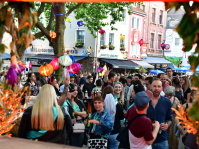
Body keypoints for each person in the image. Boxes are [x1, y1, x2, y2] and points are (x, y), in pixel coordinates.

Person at [147, 79, 172, 149]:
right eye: (154, 86)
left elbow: (169, 118)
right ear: (151, 87)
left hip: (162, 138)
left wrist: (167, 125)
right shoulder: (145, 100)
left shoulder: (167, 102)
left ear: (162, 88)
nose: (156, 88)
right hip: (146, 138)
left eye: (159, 86)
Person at [66, 83, 88, 147]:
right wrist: (81, 114)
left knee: (79, 145)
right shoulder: (66, 102)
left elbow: (86, 113)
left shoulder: (79, 101)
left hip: (81, 127)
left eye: (77, 90)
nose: (76, 92)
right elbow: (71, 114)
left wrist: (77, 113)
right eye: (74, 90)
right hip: (72, 127)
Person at [108, 82, 124, 149]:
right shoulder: (113, 99)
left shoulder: (121, 98)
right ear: (113, 88)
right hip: (113, 127)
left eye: (119, 87)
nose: (118, 88)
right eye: (116, 87)